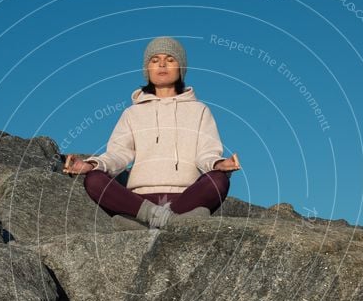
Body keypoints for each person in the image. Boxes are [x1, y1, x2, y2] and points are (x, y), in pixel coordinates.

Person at [63, 36, 240, 230]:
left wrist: (219, 164)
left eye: (170, 59)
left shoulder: (200, 110)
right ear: (147, 70)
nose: (162, 64)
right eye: (154, 60)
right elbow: (118, 154)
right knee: (94, 180)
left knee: (219, 180)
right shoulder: (132, 113)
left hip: (186, 196)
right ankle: (173, 220)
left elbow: (206, 152)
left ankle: (142, 223)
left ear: (181, 68)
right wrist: (91, 165)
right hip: (139, 199)